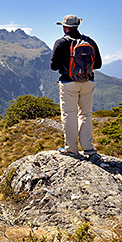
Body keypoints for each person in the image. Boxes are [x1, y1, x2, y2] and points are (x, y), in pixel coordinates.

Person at [50, 15, 102, 160]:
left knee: (69, 114)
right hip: (88, 82)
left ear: (64, 27)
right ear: (77, 25)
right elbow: (98, 65)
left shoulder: (60, 43)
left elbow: (53, 67)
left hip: (68, 83)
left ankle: (71, 149)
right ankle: (88, 148)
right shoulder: (89, 41)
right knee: (86, 114)